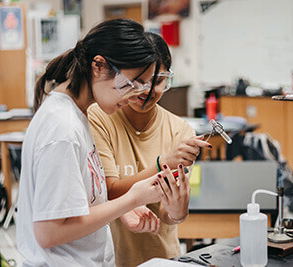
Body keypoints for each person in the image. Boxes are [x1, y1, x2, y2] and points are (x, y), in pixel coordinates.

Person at [16, 19, 182, 266]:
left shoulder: (77, 116)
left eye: (144, 85)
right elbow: (49, 232)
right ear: (99, 65)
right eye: (131, 83)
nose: (135, 95)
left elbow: (75, 203)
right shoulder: (63, 128)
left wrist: (120, 209)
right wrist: (131, 199)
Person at [88, 32, 211, 266]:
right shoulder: (100, 117)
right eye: (140, 80)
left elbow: (168, 214)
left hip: (162, 257)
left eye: (158, 80)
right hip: (111, 258)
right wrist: (161, 163)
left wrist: (178, 211)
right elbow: (109, 191)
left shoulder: (180, 131)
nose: (148, 90)